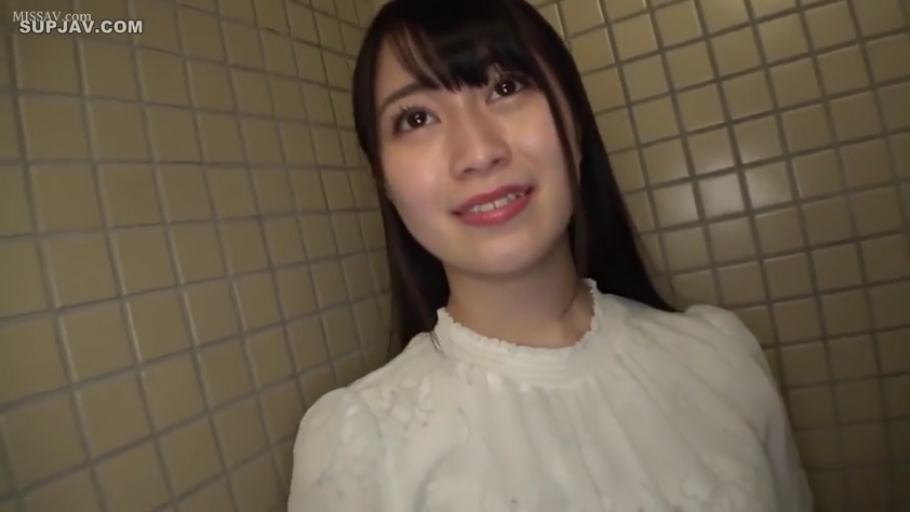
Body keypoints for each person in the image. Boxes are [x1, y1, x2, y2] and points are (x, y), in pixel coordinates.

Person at [287, 0, 813, 509]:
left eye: (506, 87)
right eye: (417, 118)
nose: (478, 152)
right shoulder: (356, 447)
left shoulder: (723, 359)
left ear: (575, 123)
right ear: (383, 180)